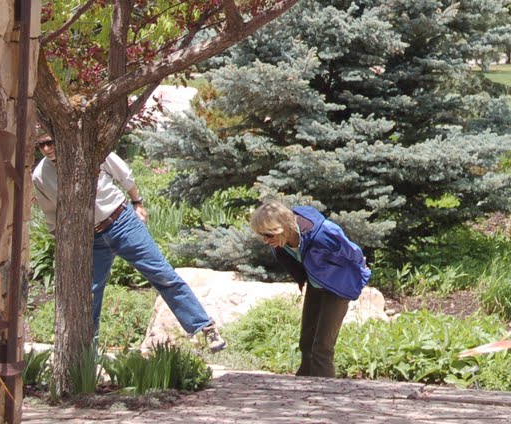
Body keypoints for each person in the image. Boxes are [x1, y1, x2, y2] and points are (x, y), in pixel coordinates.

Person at [31, 131, 225, 352]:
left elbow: (124, 175)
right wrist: (62, 241)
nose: (47, 149)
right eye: (41, 145)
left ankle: (204, 327)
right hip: (90, 237)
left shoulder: (91, 151)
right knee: (90, 293)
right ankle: (87, 358)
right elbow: (51, 213)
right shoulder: (40, 175)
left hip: (122, 221)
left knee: (161, 272)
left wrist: (137, 202)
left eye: (50, 142)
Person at [250, 198, 371, 378]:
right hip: (316, 286)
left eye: (268, 235)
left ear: (282, 227)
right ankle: (304, 386)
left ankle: (324, 395)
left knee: (322, 347)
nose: (266, 241)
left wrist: (361, 275)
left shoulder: (323, 234)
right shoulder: (281, 243)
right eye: (262, 236)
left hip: (337, 288)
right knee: (306, 342)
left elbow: (353, 253)